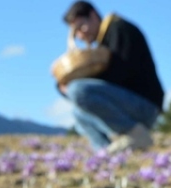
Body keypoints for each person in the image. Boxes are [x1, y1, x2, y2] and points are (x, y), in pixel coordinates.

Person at [58, 2, 163, 152]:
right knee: (78, 112)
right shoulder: (104, 42)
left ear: (93, 16)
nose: (81, 36)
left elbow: (120, 73)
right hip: (127, 106)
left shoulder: (119, 29)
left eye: (81, 27)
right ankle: (106, 153)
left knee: (77, 90)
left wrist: (75, 85)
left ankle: (136, 134)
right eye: (76, 34)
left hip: (145, 106)